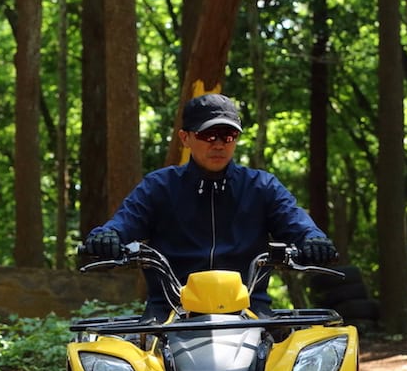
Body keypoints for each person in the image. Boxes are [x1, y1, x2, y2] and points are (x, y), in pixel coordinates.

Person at [83, 93, 337, 321]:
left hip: (248, 306)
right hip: (170, 308)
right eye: (208, 135)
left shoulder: (262, 186)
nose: (219, 144)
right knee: (141, 365)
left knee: (281, 364)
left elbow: (297, 223)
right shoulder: (159, 186)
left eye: (228, 136)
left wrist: (313, 240)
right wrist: (107, 237)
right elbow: (123, 223)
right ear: (185, 138)